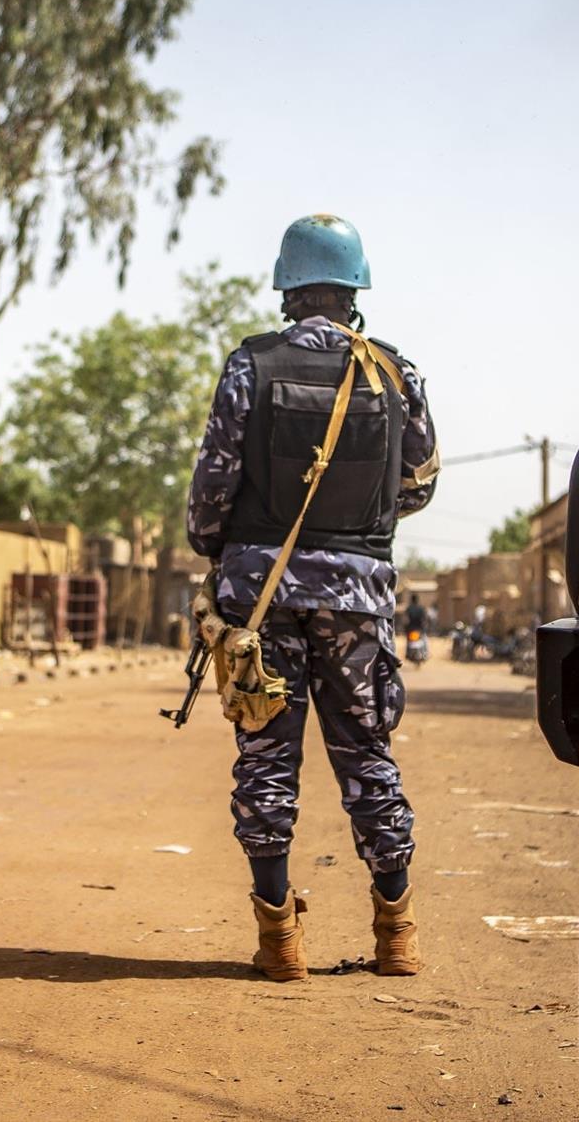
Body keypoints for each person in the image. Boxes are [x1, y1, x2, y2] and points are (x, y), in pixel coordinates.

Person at [188, 213, 440, 982]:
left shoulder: (249, 366)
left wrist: (218, 549)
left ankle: (278, 942)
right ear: (354, 288)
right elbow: (420, 483)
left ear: (288, 289)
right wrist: (358, 534)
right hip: (358, 601)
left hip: (259, 601)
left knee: (266, 759)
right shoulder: (395, 373)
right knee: (367, 755)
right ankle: (396, 934)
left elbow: (212, 489)